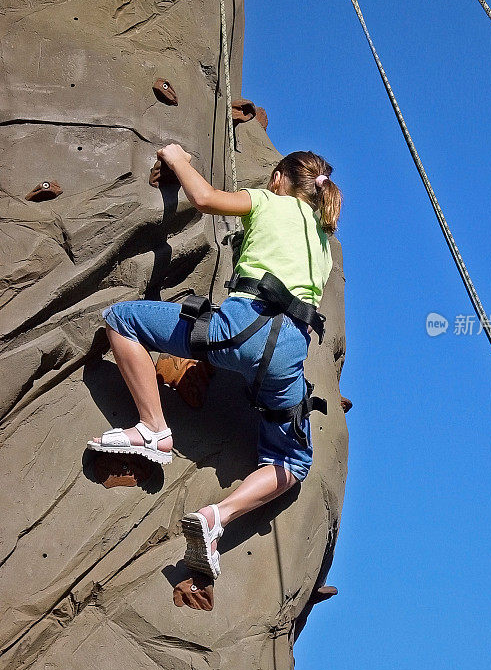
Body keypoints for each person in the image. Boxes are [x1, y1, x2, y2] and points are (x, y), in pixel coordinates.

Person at [87, 145, 342, 579]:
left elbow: (204, 199)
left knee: (121, 320)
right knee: (294, 464)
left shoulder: (268, 201)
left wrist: (176, 158)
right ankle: (216, 519)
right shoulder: (323, 244)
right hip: (286, 354)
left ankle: (152, 429)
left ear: (279, 179)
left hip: (239, 328)